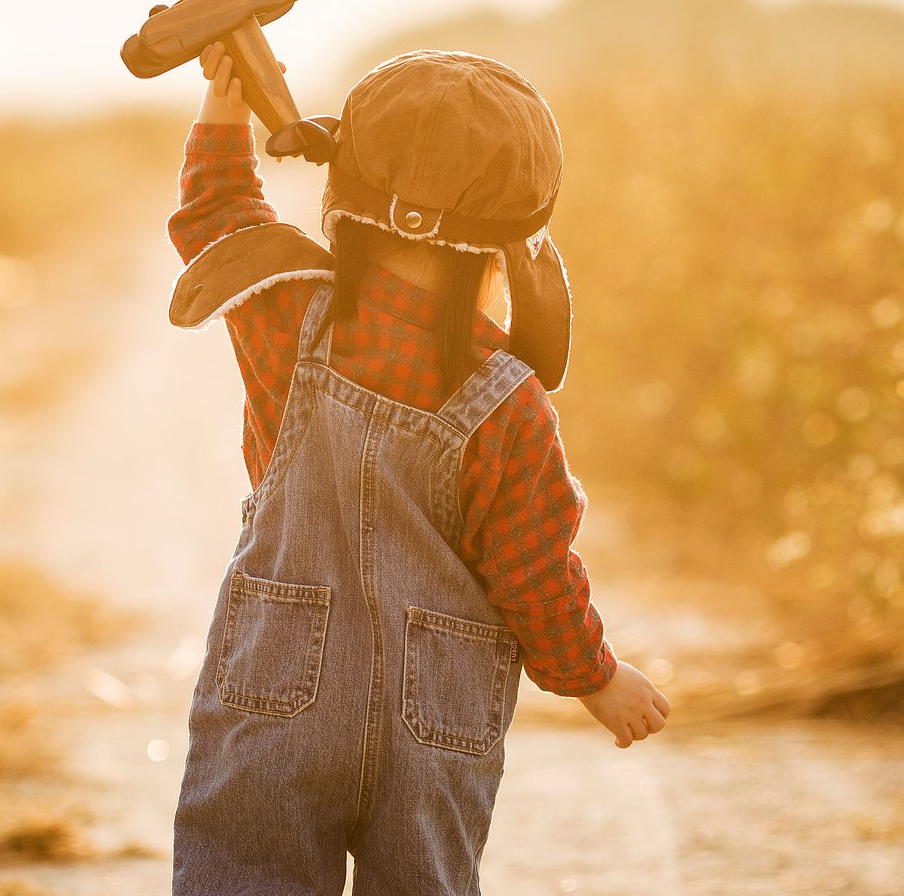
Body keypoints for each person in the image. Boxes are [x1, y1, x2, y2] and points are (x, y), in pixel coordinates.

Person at [164, 44, 669, 894]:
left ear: (340, 197)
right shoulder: (508, 398)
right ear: (510, 246)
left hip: (277, 686)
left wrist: (224, 110)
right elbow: (532, 570)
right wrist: (596, 676)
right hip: (434, 721)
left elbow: (218, 219)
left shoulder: (288, 315)